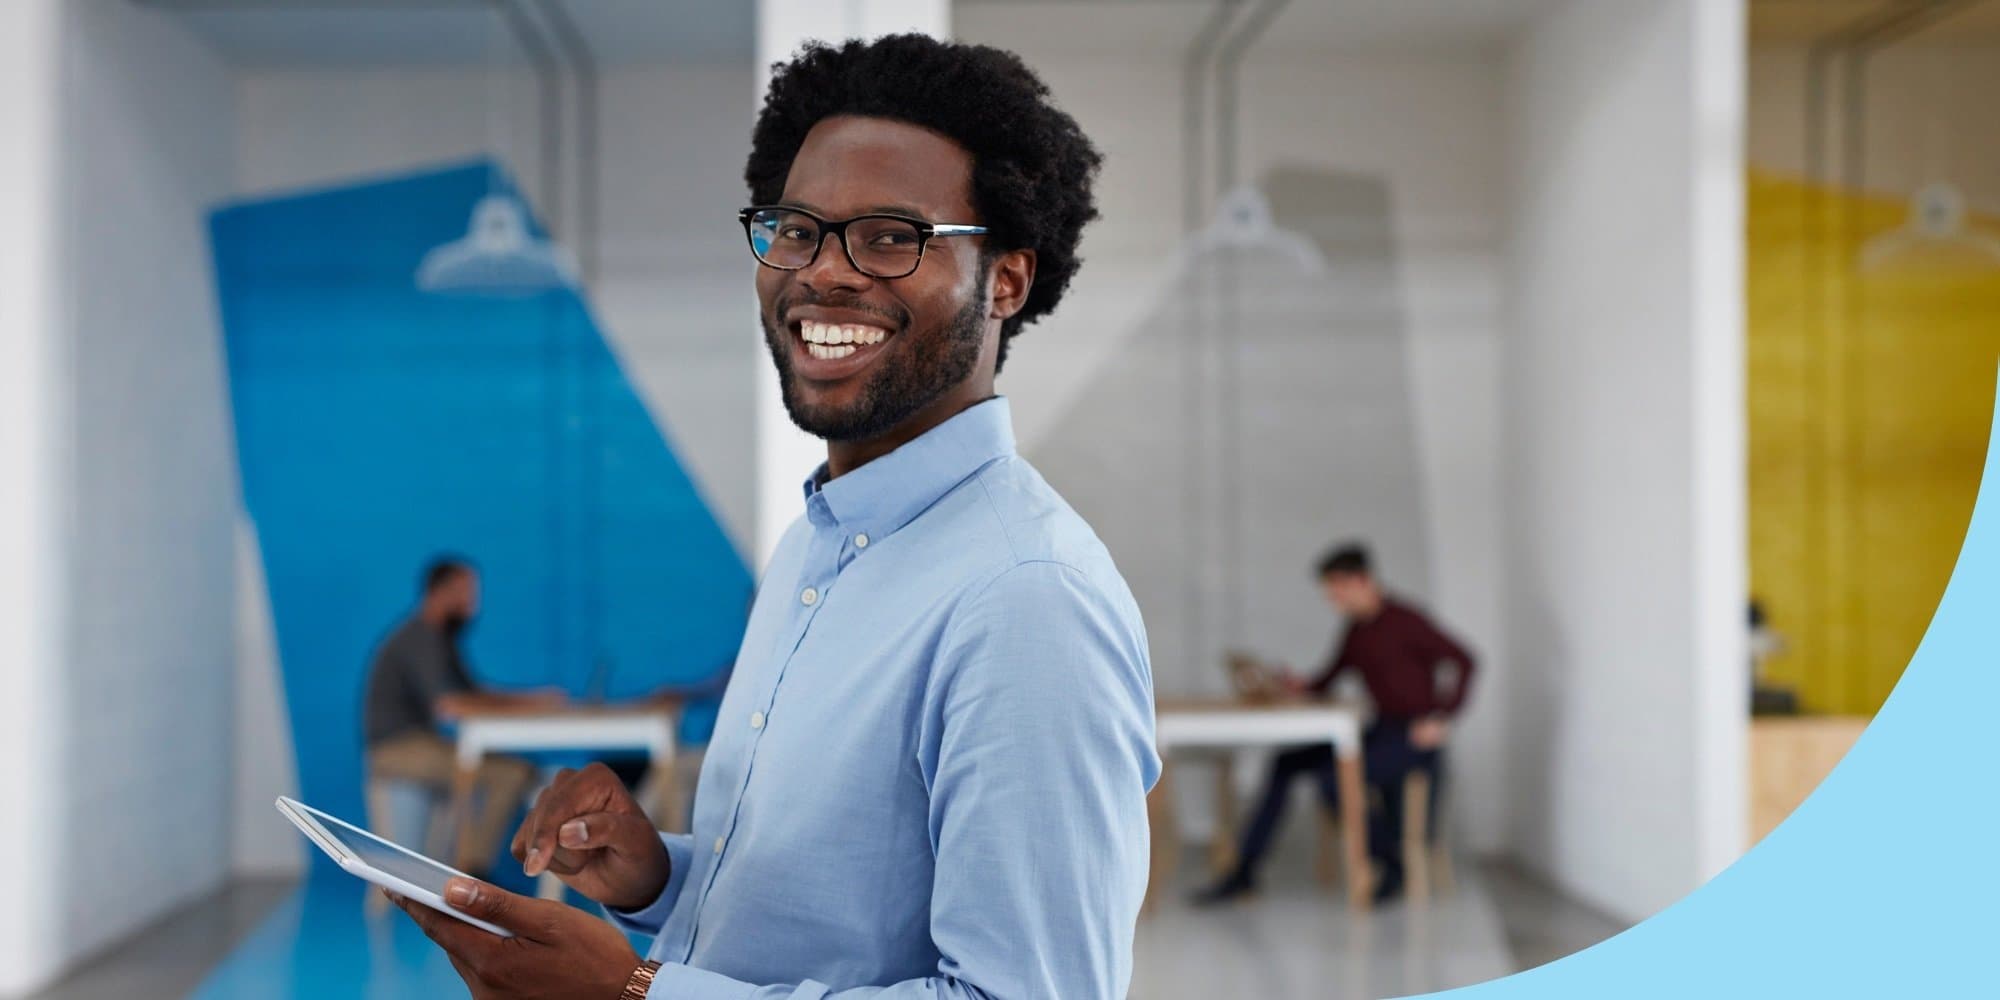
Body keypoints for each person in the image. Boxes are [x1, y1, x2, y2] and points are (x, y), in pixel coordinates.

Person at [387, 34, 1158, 1000]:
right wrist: (658, 877)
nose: (822, 275)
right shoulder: (818, 543)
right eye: (796, 230)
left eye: (890, 237)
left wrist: (637, 995)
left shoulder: (1027, 603)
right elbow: (824, 923)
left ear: (1005, 280)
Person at [1196, 543, 1476, 905]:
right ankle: (1244, 872)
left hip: (1413, 738)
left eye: (1338, 588)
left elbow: (1464, 660)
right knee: (1286, 763)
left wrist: (1441, 717)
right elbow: (1328, 678)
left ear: (1363, 580)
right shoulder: (1356, 631)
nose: (1333, 598)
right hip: (1379, 730)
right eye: (1329, 590)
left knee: (1335, 783)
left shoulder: (1406, 620)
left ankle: (1392, 867)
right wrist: (1298, 685)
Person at [363, 557, 563, 874]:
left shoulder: (441, 639)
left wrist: (530, 700)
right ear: (441, 592)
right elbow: (452, 705)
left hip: (417, 744)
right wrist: (527, 704)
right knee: (509, 774)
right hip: (398, 750)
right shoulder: (423, 637)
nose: (472, 605)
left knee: (514, 770)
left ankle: (470, 867)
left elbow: (475, 694)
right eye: (466, 594)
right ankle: (471, 871)